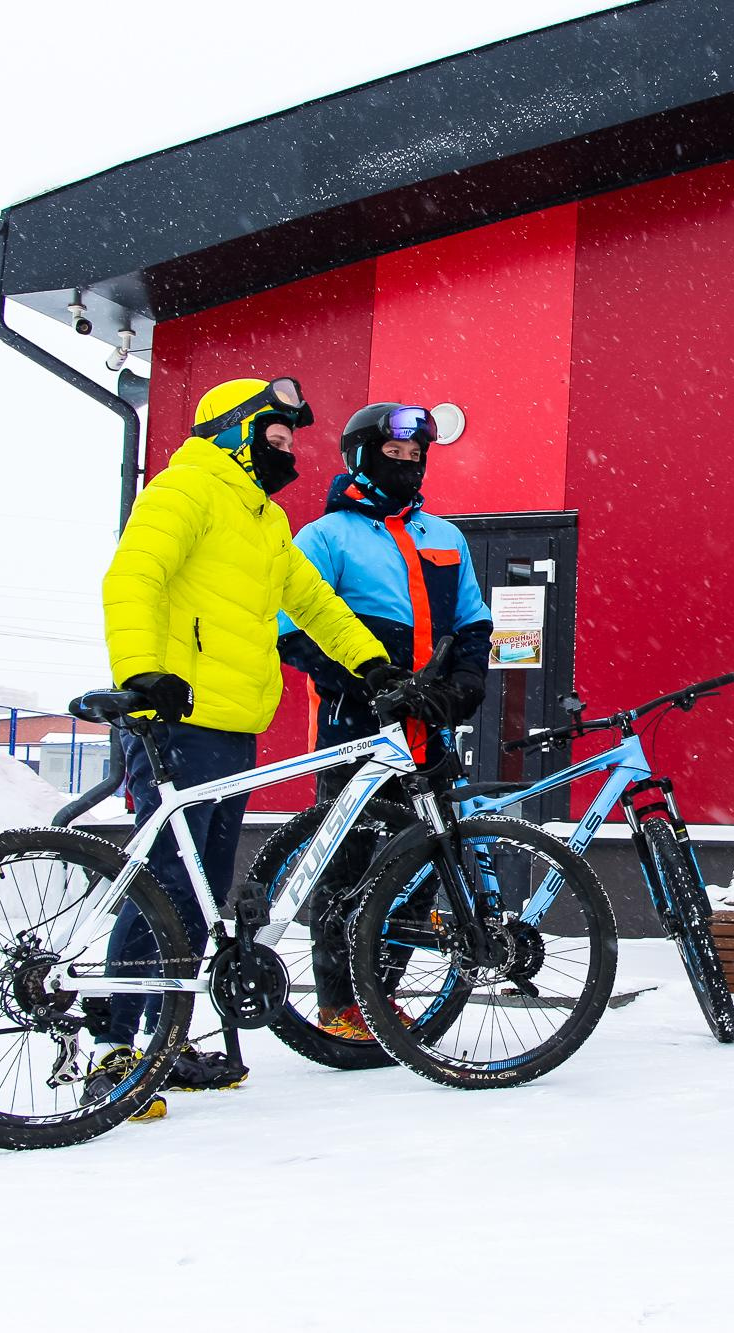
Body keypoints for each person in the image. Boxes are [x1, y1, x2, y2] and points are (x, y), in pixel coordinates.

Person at [89, 376, 395, 1117]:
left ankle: (164, 1036)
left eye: (292, 439)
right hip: (175, 715)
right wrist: (141, 673)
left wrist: (377, 665)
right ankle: (111, 1048)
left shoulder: (261, 520)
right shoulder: (185, 489)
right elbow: (133, 576)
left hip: (231, 724)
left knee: (200, 886)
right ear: (233, 431)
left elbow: (315, 602)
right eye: (276, 435)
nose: (287, 449)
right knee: (163, 879)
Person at [277, 403, 493, 1039]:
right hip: (354, 722)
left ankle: (382, 991)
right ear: (361, 459)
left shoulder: (444, 537)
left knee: (429, 855)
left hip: (428, 720)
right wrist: (361, 684)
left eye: (416, 457)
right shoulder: (326, 537)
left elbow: (474, 620)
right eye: (394, 455)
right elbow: (293, 633)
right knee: (346, 861)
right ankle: (339, 1002)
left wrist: (467, 685)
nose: (408, 465)